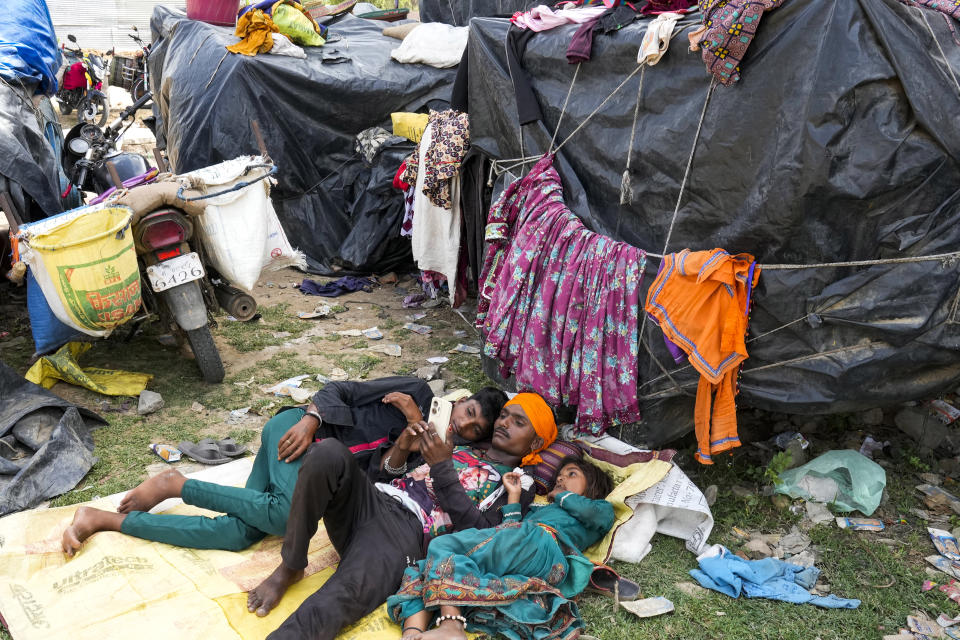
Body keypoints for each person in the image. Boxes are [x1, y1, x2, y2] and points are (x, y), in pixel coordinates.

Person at [60, 377, 507, 556]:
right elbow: (341, 390)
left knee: (238, 534)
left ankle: (108, 520)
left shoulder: (436, 459)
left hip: (315, 472)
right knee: (281, 514)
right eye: (466, 411)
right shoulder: (414, 389)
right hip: (297, 433)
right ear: (461, 399)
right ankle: (176, 484)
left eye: (471, 429)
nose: (462, 423)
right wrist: (312, 418)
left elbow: (367, 488)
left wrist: (406, 448)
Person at [246, 393, 560, 640]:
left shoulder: (517, 483)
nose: (504, 423)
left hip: (404, 537)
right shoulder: (462, 447)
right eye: (504, 416)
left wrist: (441, 467)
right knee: (327, 452)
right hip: (374, 501)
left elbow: (485, 536)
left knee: (334, 599)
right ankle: (291, 565)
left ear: (535, 443)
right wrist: (403, 445)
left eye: (519, 422)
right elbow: (379, 474)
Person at [389, 457, 615, 640]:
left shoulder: (599, 508)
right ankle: (413, 633)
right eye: (559, 477)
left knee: (444, 546)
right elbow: (508, 533)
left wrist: (562, 495)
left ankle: (451, 626)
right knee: (422, 569)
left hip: (544, 544)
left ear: (593, 486)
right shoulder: (542, 510)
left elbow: (594, 515)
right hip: (529, 555)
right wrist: (514, 496)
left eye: (571, 474)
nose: (561, 479)